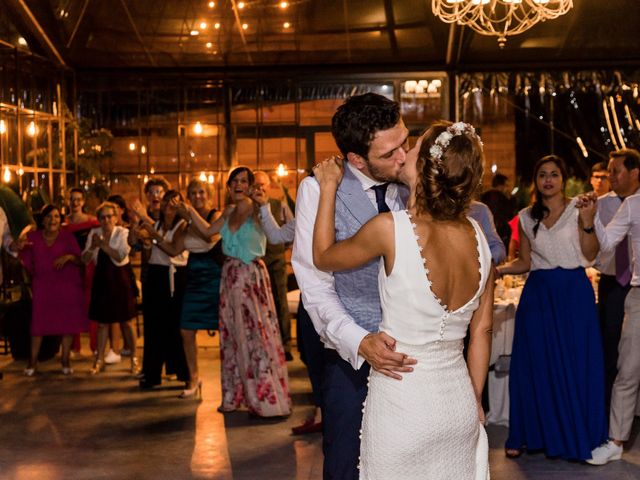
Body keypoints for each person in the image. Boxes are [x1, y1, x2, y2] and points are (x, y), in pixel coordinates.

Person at [312, 120, 493, 478]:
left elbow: (322, 256)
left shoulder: (389, 228)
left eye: (413, 146)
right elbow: (483, 331)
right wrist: (474, 398)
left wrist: (329, 187)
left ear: (423, 166)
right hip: (458, 403)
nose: (403, 152)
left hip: (402, 402)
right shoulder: (478, 236)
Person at [292, 92, 415, 478]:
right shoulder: (317, 190)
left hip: (415, 353)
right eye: (390, 153)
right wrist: (359, 339)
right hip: (351, 358)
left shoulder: (414, 180)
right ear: (356, 159)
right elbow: (315, 285)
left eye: (405, 142)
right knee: (348, 464)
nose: (403, 157)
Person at [497, 155, 607, 461]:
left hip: (573, 293)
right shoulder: (525, 216)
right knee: (534, 365)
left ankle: (576, 433)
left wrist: (587, 223)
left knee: (574, 363)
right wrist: (499, 271)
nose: (548, 179)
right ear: (536, 180)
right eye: (542, 174)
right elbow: (525, 262)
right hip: (538, 296)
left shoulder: (581, 209)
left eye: (554, 174)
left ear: (564, 178)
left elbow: (591, 255)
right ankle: (528, 434)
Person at [184, 166, 290, 417]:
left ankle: (266, 400)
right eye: (235, 181)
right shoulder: (228, 211)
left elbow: (276, 236)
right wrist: (188, 210)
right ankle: (235, 395)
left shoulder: (259, 210)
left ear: (251, 186)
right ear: (229, 187)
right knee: (233, 337)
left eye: (244, 181)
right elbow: (209, 233)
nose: (239, 185)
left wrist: (266, 204)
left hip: (252, 278)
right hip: (230, 277)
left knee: (256, 337)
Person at [584, 150, 640, 466]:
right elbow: (607, 244)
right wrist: (591, 220)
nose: (612, 177)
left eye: (616, 171)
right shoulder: (630, 205)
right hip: (637, 295)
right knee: (627, 369)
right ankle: (616, 441)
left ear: (635, 172)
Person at [167, 179, 223, 399]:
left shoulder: (215, 215)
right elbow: (173, 249)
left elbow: (210, 236)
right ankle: (193, 377)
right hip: (194, 277)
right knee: (186, 330)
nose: (198, 196)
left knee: (223, 330)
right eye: (193, 193)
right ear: (188, 196)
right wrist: (149, 234)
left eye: (201, 192)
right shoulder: (185, 222)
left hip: (215, 275)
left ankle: (230, 378)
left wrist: (189, 214)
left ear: (208, 195)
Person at [18, 205, 88, 375]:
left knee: (67, 324)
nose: (53, 220)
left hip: (67, 285)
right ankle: (33, 361)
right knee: (38, 324)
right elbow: (22, 254)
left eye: (56, 216)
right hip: (43, 286)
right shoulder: (33, 237)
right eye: (49, 216)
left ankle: (65, 359)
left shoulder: (67, 237)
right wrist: (22, 239)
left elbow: (81, 260)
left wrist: (69, 257)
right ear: (42, 220)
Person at [135, 190, 190, 389]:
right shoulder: (157, 225)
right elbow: (148, 248)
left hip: (175, 276)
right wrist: (143, 238)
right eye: (167, 201)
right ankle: (152, 373)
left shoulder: (183, 226)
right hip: (156, 275)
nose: (169, 205)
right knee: (154, 327)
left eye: (174, 202)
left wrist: (153, 235)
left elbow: (174, 249)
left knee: (176, 327)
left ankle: (183, 371)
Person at [82, 202, 140, 375]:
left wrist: (103, 245)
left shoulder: (123, 233)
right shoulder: (94, 234)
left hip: (120, 280)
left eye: (109, 216)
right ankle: (98, 359)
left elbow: (121, 255)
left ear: (116, 218)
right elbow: (84, 259)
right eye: (103, 217)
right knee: (102, 323)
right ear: (98, 219)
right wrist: (93, 246)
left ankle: (134, 359)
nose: (106, 220)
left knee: (126, 321)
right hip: (102, 281)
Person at [252, 170, 294, 360]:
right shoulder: (247, 207)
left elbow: (292, 228)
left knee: (280, 302)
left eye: (262, 185)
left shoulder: (280, 205)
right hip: (254, 262)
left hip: (276, 260)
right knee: (257, 304)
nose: (259, 188)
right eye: (256, 185)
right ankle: (261, 343)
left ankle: (285, 345)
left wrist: (282, 249)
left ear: (268, 187)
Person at [63, 187, 100, 356]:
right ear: (67, 202)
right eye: (72, 199)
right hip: (69, 268)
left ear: (83, 202)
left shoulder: (92, 222)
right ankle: (73, 346)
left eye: (78, 199)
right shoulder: (63, 224)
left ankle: (94, 346)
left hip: (88, 266)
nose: (75, 202)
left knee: (90, 304)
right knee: (71, 307)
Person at [480, 172, 516, 249]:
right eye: (506, 185)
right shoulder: (503, 199)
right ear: (501, 186)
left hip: (483, 235)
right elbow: (509, 216)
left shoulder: (483, 197)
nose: (508, 188)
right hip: (500, 236)